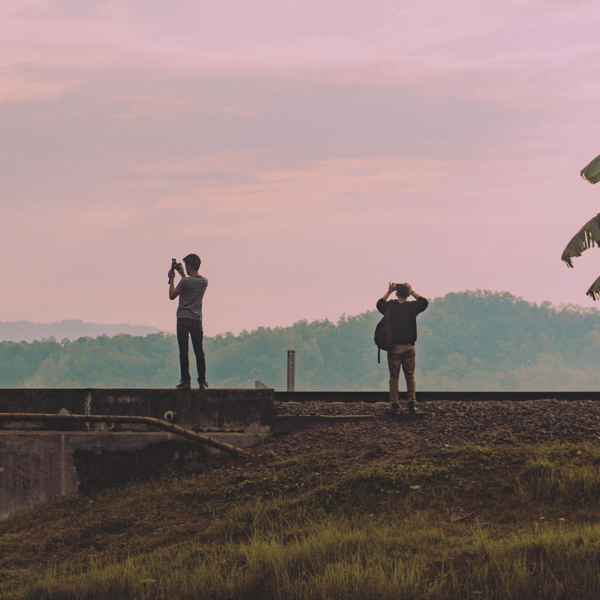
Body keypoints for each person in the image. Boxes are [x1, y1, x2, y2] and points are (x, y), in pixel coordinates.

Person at [377, 282, 428, 414]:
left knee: (394, 377)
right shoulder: (412, 307)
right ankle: (411, 403)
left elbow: (379, 303)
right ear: (407, 294)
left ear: (396, 293)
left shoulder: (390, 306)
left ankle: (394, 404)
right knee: (410, 376)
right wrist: (412, 292)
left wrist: (388, 291)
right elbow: (424, 302)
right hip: (409, 347)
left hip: (394, 347)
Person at [168, 254, 208, 390]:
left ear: (189, 266)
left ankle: (186, 381)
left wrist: (172, 279)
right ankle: (202, 382)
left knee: (183, 351)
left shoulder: (185, 282)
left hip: (183, 319)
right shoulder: (204, 282)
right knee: (199, 351)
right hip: (196, 319)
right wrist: (183, 274)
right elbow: (190, 284)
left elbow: (172, 295)